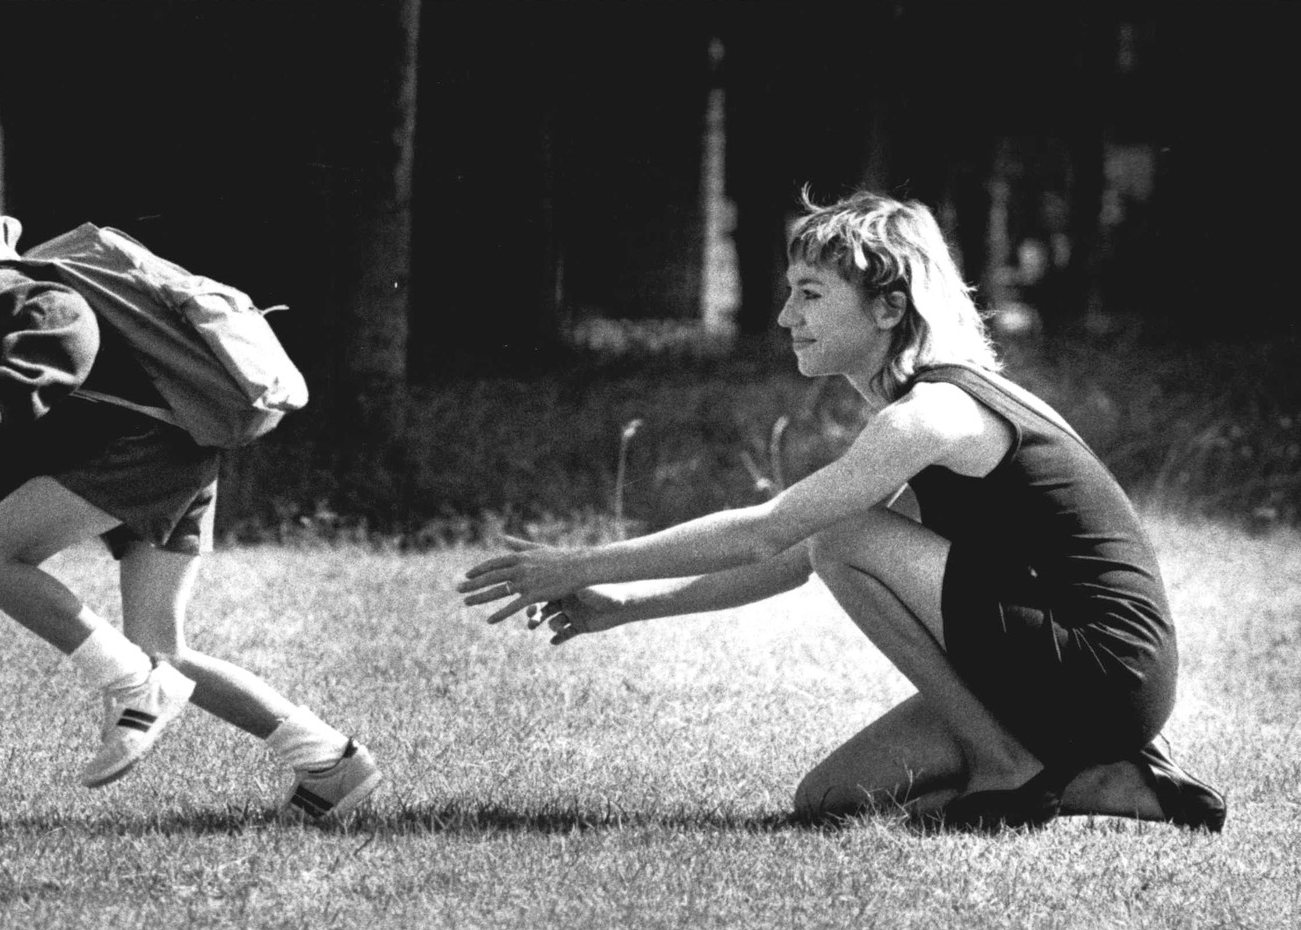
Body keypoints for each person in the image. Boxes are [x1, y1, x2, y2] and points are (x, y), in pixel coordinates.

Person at [459, 189, 1225, 832]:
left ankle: (1006, 764)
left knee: (845, 531)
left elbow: (778, 528)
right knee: (825, 800)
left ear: (889, 306)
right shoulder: (924, 410)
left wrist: (570, 563)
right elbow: (793, 561)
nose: (787, 314)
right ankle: (1107, 777)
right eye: (792, 290)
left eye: (812, 294)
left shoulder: (932, 413)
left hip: (1103, 667)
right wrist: (622, 604)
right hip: (1085, 681)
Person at [0, 135, 381, 820]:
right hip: (177, 448)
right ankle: (331, 761)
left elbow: (63, 320)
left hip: (144, 449)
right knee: (163, 650)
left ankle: (135, 688)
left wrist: (0, 396)